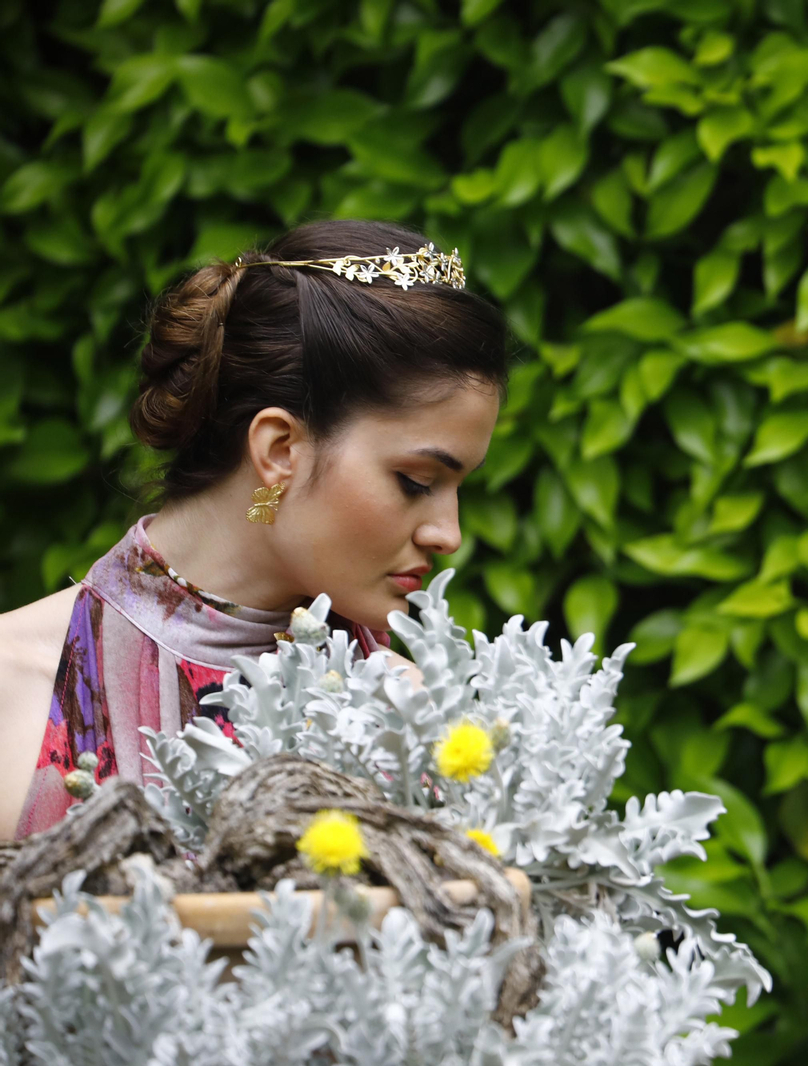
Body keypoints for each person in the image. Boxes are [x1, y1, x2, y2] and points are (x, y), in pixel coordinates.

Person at [0, 219, 508, 840]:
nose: (448, 535)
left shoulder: (422, 721)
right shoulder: (13, 696)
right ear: (280, 448)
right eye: (416, 480)